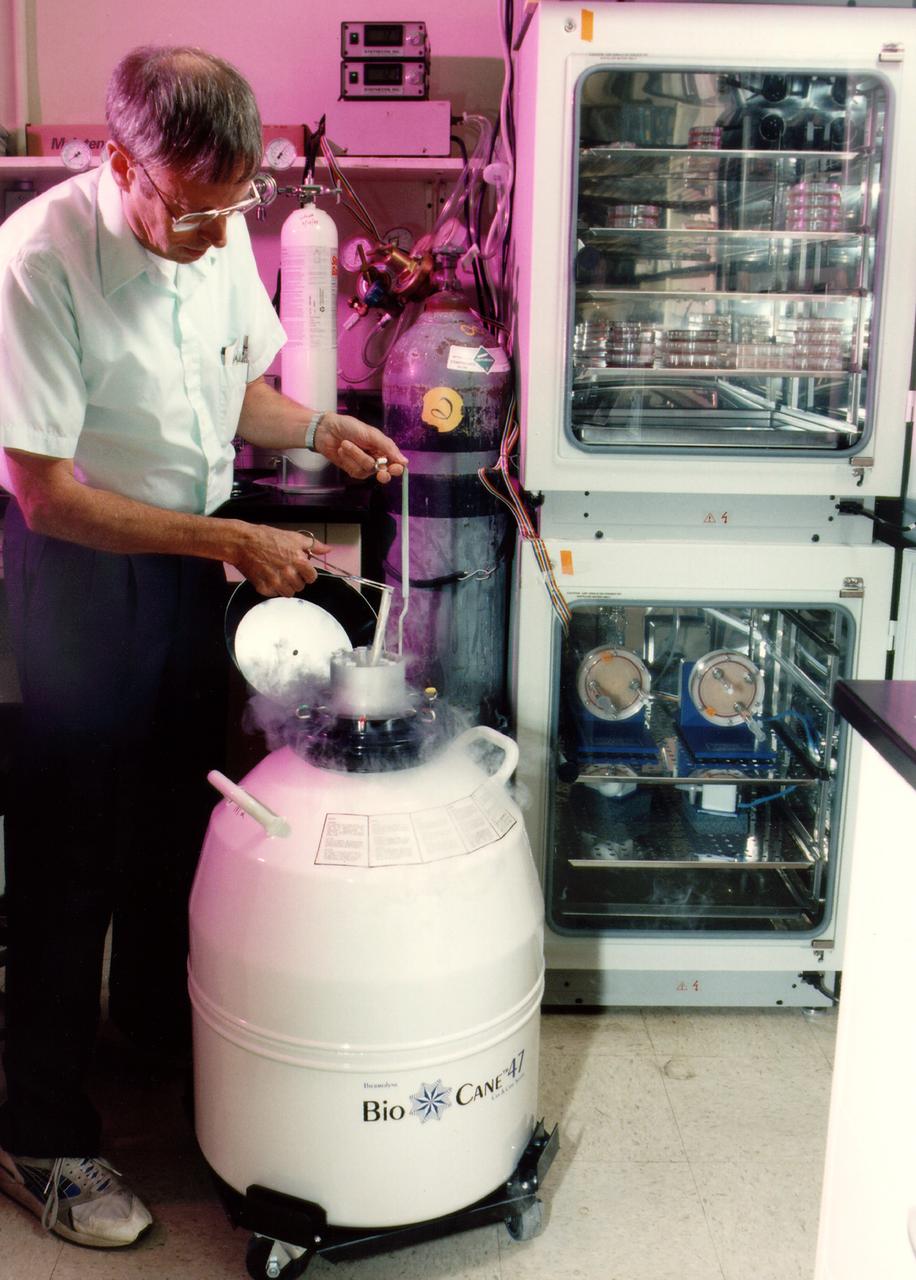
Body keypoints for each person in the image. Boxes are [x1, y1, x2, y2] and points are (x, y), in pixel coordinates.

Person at [0, 46, 406, 1249]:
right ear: (118, 162)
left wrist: (323, 421)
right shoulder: (38, 262)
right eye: (192, 207)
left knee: (184, 819)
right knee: (71, 856)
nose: (216, 230)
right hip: (78, 574)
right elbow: (46, 494)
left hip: (179, 569)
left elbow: (239, 395)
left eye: (238, 205)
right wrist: (227, 536)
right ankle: (39, 1131)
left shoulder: (217, 223)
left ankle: (146, 1035)